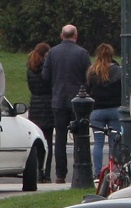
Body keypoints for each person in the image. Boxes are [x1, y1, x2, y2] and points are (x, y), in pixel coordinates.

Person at [46, 25, 89, 177]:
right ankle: (80, 170)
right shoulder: (82, 53)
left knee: (60, 138)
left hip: (58, 99)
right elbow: (87, 77)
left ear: (61, 35)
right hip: (77, 100)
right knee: (80, 137)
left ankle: (60, 173)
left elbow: (46, 75)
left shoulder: (52, 53)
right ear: (76, 36)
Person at [85, 43, 125, 174]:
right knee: (115, 142)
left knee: (98, 143)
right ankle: (115, 170)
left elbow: (88, 90)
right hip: (114, 109)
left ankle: (97, 172)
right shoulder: (118, 71)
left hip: (97, 111)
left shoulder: (92, 71)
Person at [24, 42, 58, 180]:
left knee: (37, 141)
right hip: (48, 104)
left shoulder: (30, 68)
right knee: (48, 142)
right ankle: (46, 172)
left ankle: (38, 170)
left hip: (35, 104)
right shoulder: (47, 68)